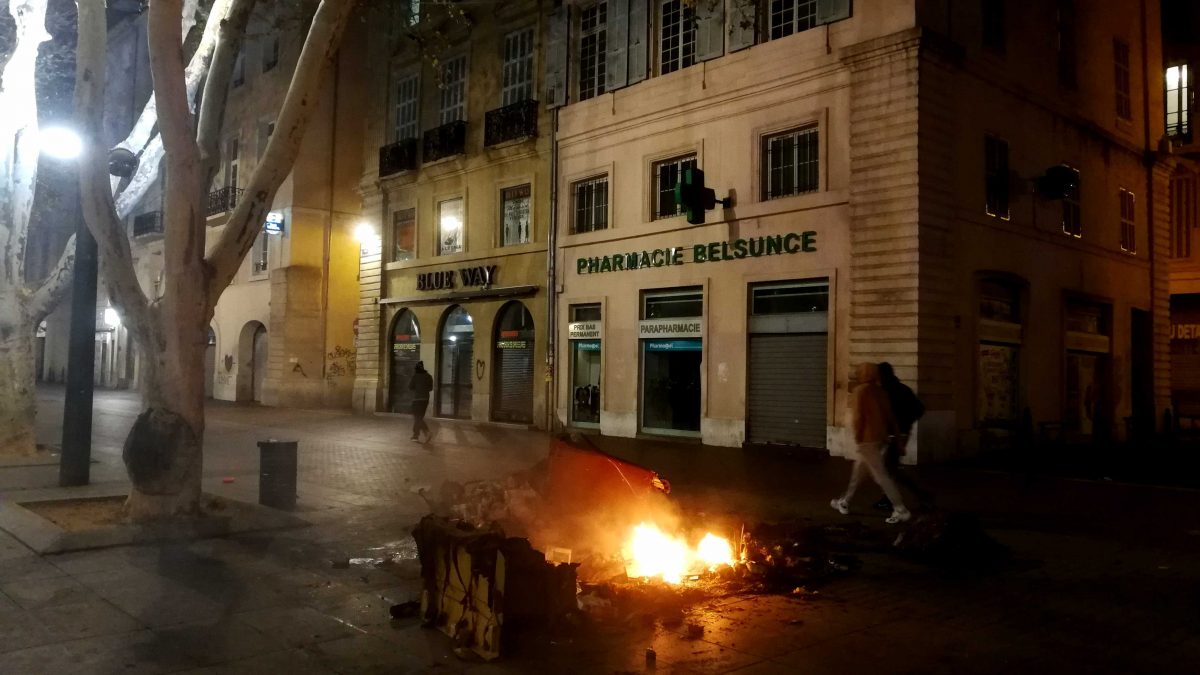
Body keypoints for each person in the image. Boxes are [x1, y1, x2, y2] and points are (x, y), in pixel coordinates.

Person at [831, 362, 911, 524]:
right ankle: (845, 501)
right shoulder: (881, 392)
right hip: (881, 439)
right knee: (858, 473)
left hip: (867, 440)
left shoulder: (860, 391)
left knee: (881, 476)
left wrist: (858, 437)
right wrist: (899, 441)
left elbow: (858, 417)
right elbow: (891, 418)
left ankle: (901, 509)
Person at [872, 361, 932, 511]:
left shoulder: (888, 391)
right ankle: (889, 498)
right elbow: (919, 409)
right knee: (889, 468)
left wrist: (901, 423)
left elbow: (890, 414)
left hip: (895, 435)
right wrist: (906, 424)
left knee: (891, 469)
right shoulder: (901, 389)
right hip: (899, 433)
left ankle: (922, 496)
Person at [409, 361, 433, 442]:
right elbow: (430, 388)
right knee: (419, 418)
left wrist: (417, 388)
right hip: (425, 399)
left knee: (417, 417)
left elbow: (410, 387)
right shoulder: (429, 376)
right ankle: (416, 435)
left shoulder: (415, 376)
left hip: (417, 399)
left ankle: (426, 432)